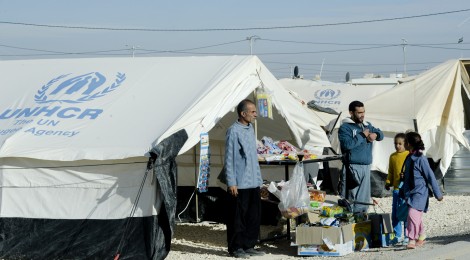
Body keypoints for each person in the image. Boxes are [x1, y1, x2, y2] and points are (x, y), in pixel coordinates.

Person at [224, 99, 265, 258]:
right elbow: (229, 158)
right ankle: (236, 248)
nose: (256, 114)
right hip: (240, 183)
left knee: (253, 216)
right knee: (237, 218)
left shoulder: (250, 129)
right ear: (243, 113)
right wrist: (231, 182)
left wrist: (259, 181)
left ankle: (249, 245)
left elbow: (253, 158)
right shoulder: (233, 131)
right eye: (253, 111)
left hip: (253, 182)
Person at [338, 100, 383, 213]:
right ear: (351, 113)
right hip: (352, 167)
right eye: (359, 112)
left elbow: (381, 135)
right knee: (350, 198)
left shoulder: (367, 125)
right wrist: (362, 135)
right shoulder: (345, 128)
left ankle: (361, 222)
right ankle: (349, 223)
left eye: (363, 112)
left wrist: (375, 134)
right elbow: (347, 145)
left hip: (366, 166)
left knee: (363, 199)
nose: (362, 115)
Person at [402, 131, 443, 249]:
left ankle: (411, 239)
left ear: (409, 144)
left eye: (405, 142)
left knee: (412, 214)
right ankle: (421, 235)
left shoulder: (421, 159)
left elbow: (430, 176)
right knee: (416, 216)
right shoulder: (409, 157)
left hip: (420, 193)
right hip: (410, 192)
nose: (404, 144)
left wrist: (438, 194)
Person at [385, 133, 409, 244]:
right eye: (396, 143)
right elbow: (391, 172)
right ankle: (397, 235)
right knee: (395, 213)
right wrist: (388, 182)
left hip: (406, 189)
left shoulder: (409, 155)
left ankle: (407, 235)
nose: (397, 146)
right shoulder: (392, 156)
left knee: (405, 212)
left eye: (400, 143)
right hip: (396, 189)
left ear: (406, 144)